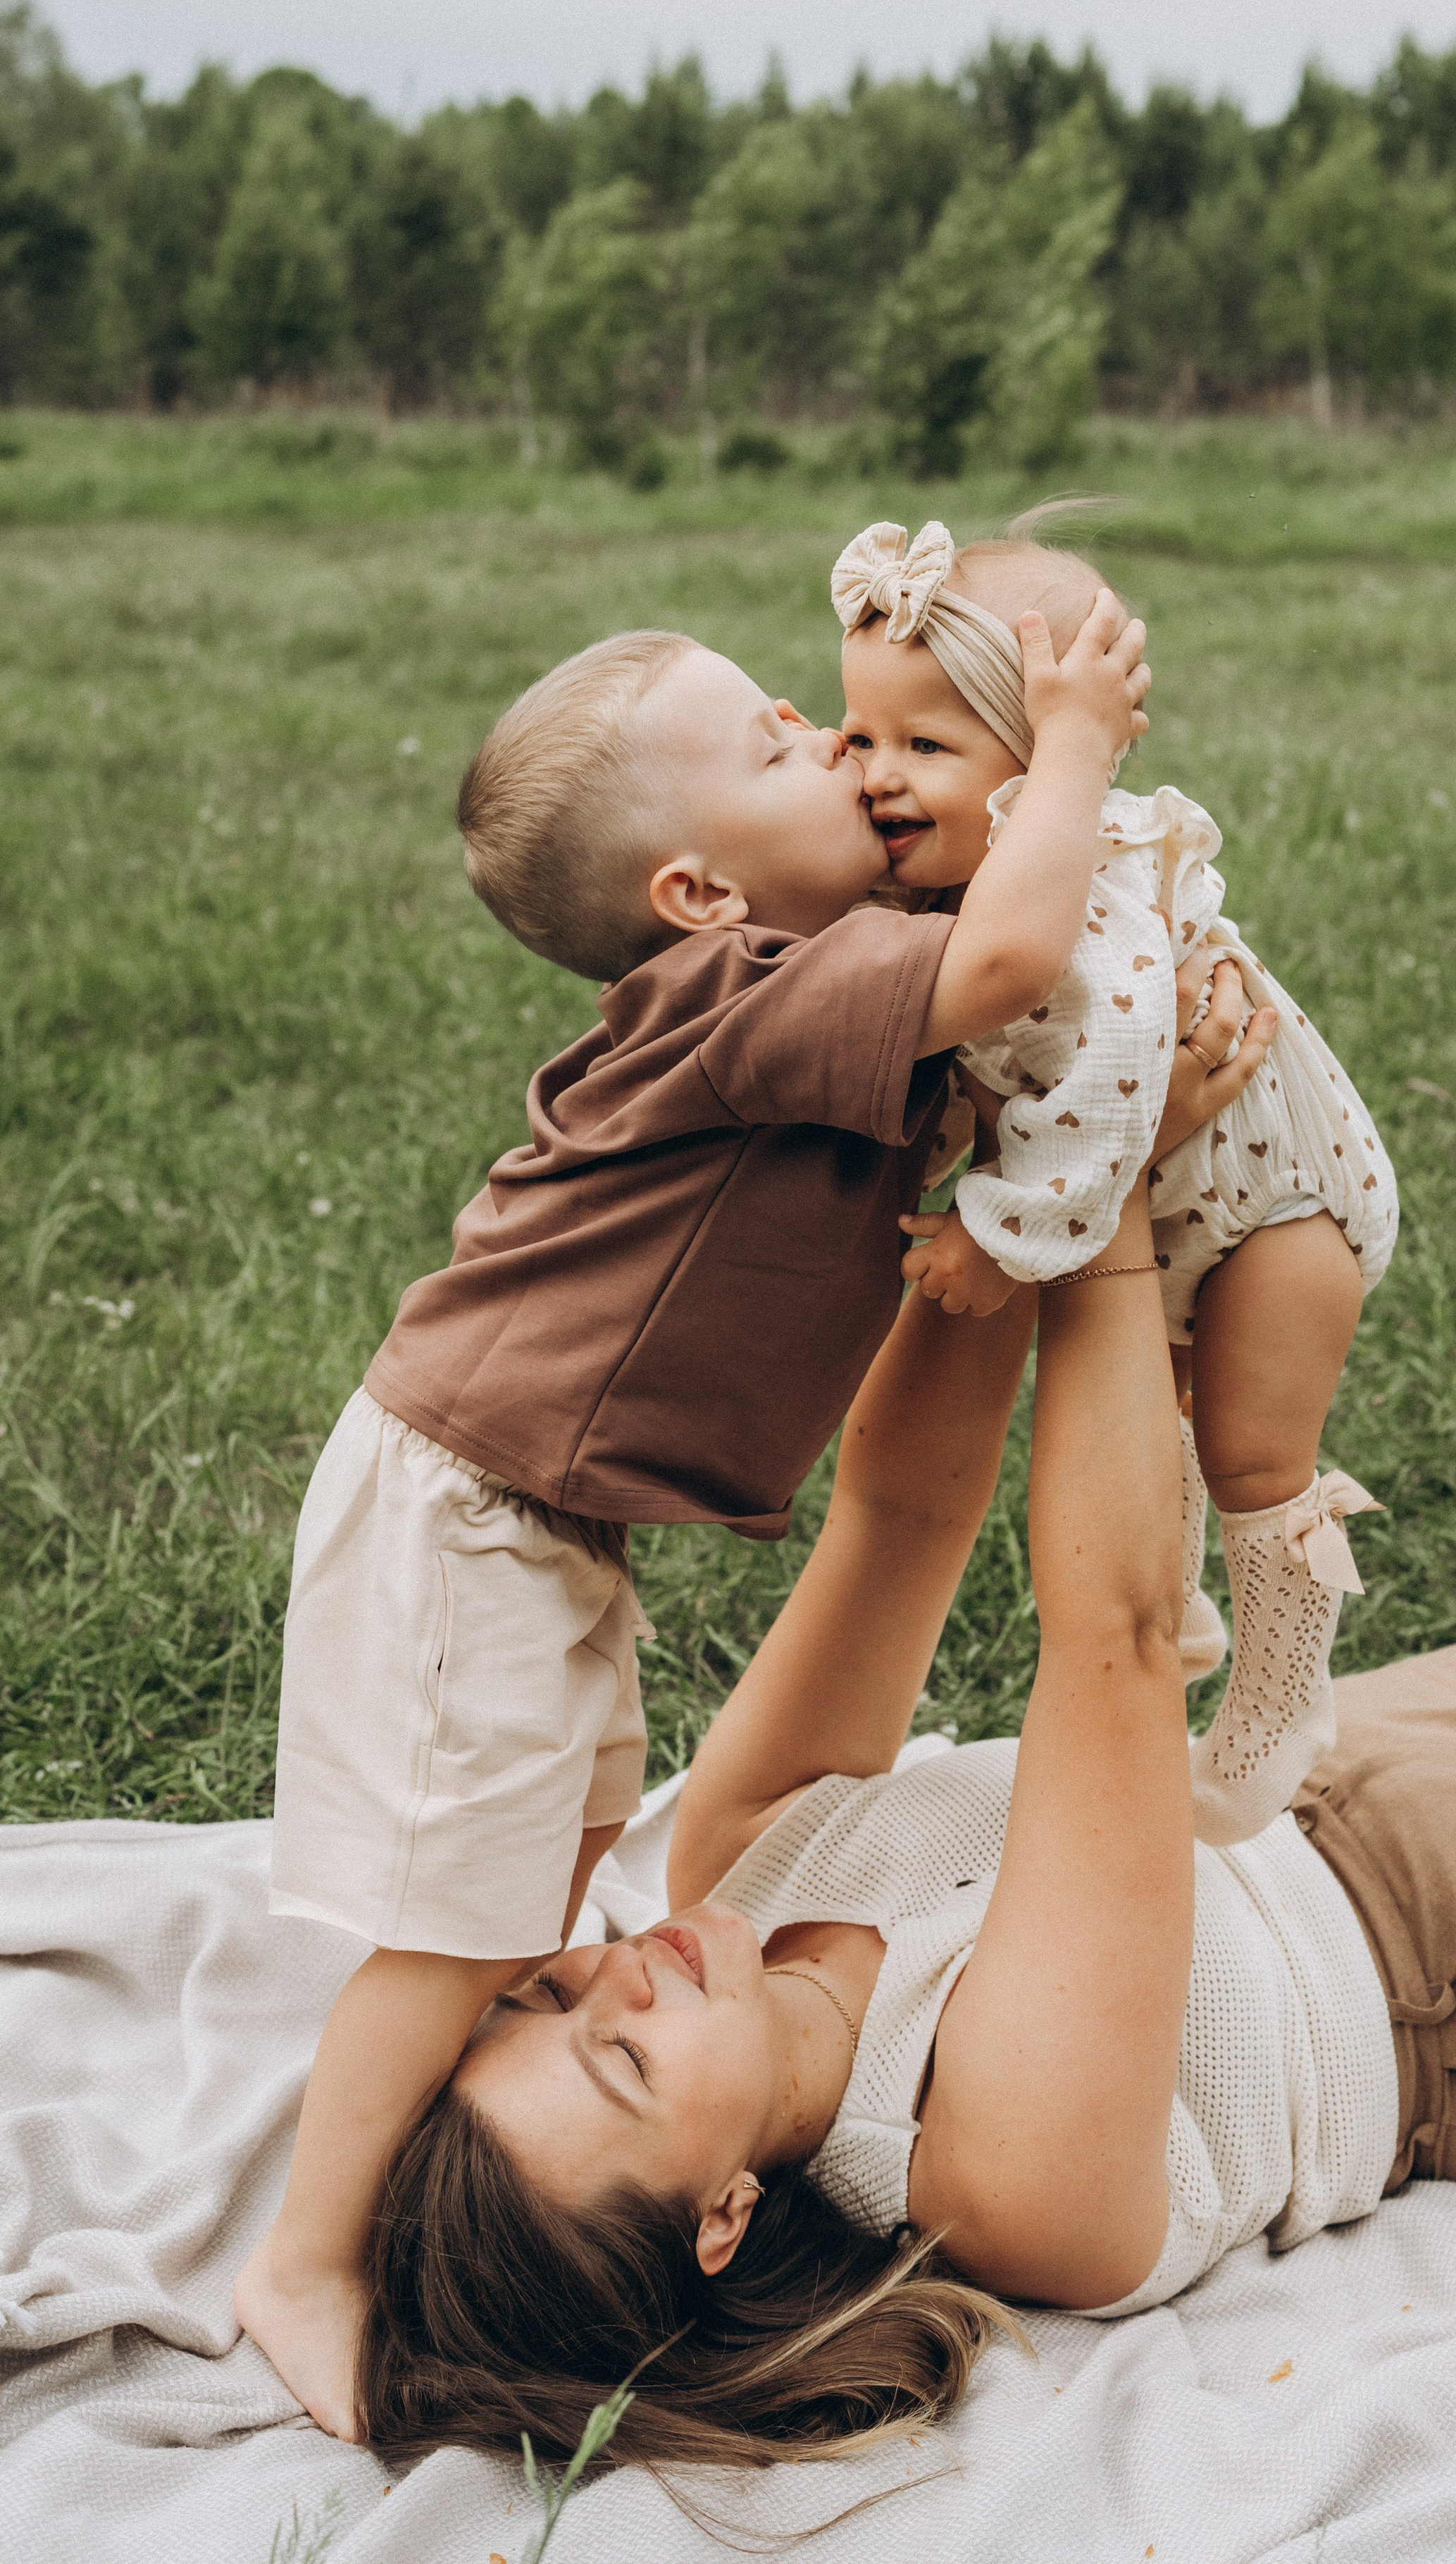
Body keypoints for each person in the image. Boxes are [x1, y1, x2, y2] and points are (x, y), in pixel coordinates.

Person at [354, 959, 1456, 2467]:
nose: (617, 1978)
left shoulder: (735, 1861)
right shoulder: (986, 2175)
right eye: (625, 2063)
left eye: (547, 1996)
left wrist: (1016, 1165)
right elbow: (1111, 1639)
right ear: (721, 2216)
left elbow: (900, 1509)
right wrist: (1094, 1197)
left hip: (1389, 1748)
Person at [235, 595, 1152, 2437]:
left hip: (554, 1519)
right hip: (470, 1506)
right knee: (455, 1920)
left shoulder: (806, 978)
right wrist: (1072, 748)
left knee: (558, 1860)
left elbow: (984, 1018)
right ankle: (304, 2259)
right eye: (776, 746)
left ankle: (495, 2087)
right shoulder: (741, 997)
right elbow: (1004, 962)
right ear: (697, 898)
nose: (830, 740)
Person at [835, 516, 1396, 1843]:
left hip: (1278, 1205)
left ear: (1039, 771)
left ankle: (1280, 1693)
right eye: (862, 738)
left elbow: (1117, 1077)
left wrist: (992, 1222)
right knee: (1165, 1407)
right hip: (1192, 1195)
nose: (878, 778)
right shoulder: (960, 885)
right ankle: (1183, 1606)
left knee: (1253, 1450)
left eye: (927, 746)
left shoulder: (1085, 898)